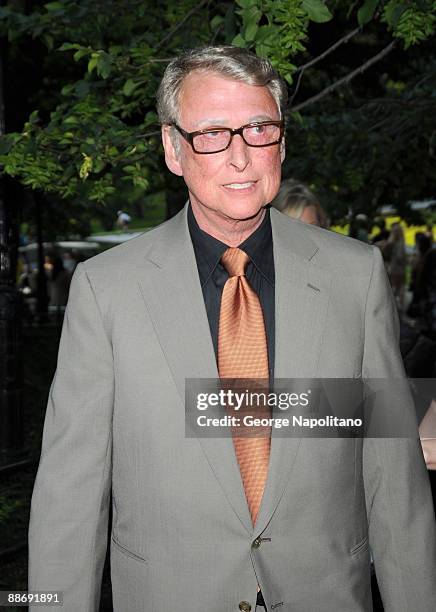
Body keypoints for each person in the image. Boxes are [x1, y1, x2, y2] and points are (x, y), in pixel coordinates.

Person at [28, 45, 436, 612]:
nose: (241, 157)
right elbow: (69, 497)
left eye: (259, 128)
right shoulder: (106, 289)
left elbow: (392, 474)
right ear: (174, 148)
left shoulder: (355, 274)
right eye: (213, 134)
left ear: (283, 140)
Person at [383, 222, 407, 311]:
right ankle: (398, 307)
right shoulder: (402, 242)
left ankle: (393, 308)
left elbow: (386, 249)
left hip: (395, 266)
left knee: (393, 289)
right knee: (399, 289)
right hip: (401, 267)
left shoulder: (393, 241)